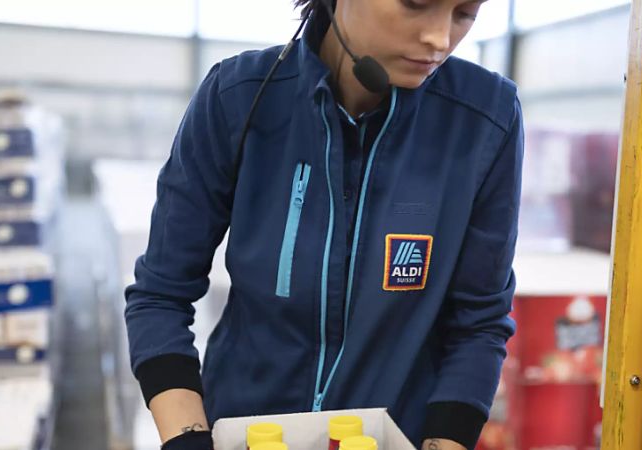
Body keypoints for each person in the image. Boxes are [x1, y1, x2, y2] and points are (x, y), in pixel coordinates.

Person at [124, 0, 523, 449]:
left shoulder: (485, 118)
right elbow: (161, 292)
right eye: (416, 3)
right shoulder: (238, 96)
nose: (440, 38)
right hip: (243, 430)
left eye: (465, 12)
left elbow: (480, 322)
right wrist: (186, 438)